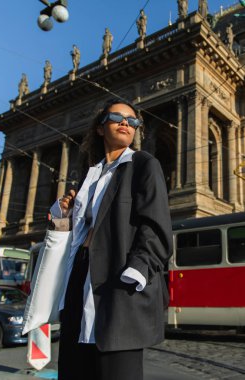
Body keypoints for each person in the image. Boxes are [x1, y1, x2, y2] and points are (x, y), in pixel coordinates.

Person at [50, 98, 173, 380]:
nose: (125, 123)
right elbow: (74, 235)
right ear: (99, 128)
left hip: (118, 281)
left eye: (132, 121)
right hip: (79, 276)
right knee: (73, 368)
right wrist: (63, 216)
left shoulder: (143, 164)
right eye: (117, 117)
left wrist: (137, 270)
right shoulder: (89, 177)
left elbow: (155, 225)